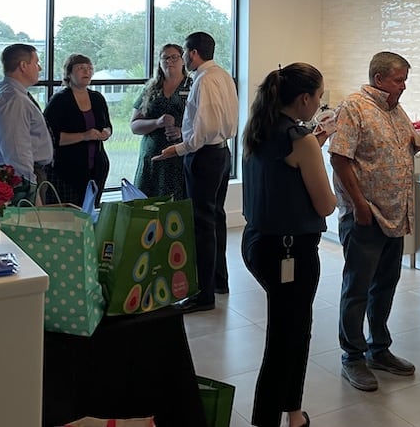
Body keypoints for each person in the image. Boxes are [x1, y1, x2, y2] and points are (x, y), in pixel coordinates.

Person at [241, 63, 337, 427]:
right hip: (290, 250)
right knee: (288, 337)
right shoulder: (301, 140)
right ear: (304, 98)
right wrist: (314, 148)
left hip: (257, 243)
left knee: (291, 330)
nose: (320, 104)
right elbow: (326, 204)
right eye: (319, 97)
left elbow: (282, 174)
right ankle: (267, 418)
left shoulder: (260, 128)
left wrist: (315, 144)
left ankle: (294, 413)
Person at [330, 51, 420, 392]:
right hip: (367, 214)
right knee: (357, 288)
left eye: (404, 80)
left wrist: (417, 143)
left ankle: (379, 349)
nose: (403, 86)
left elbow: (396, 148)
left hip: (395, 214)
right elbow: (340, 158)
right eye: (399, 80)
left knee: (385, 285)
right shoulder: (354, 107)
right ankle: (352, 357)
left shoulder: (395, 110)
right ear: (379, 80)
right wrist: (359, 205)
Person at [154, 31, 238, 312]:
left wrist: (176, 149)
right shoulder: (224, 76)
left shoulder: (203, 80)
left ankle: (204, 295)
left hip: (203, 156)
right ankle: (219, 281)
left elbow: (201, 130)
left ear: (192, 54)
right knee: (216, 218)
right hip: (223, 153)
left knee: (202, 225)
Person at [0, 43, 52, 203]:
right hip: (19, 177)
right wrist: (30, 190)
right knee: (28, 225)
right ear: (23, 66)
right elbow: (17, 150)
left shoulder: (6, 89)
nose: (39, 69)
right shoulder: (14, 99)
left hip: (12, 172)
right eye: (36, 63)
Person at [42, 53, 112, 206]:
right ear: (69, 74)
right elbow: (51, 137)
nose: (86, 72)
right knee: (70, 214)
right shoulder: (59, 100)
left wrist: (106, 132)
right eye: (81, 68)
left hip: (97, 169)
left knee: (92, 212)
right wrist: (84, 136)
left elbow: (108, 125)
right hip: (66, 170)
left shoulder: (97, 98)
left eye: (89, 68)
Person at [131, 43, 190, 199]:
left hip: (181, 158)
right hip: (152, 158)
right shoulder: (151, 89)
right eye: (165, 58)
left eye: (174, 57)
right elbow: (135, 126)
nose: (169, 61)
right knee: (147, 208)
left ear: (183, 60)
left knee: (176, 211)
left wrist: (181, 131)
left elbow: (205, 123)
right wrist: (157, 122)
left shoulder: (193, 86)